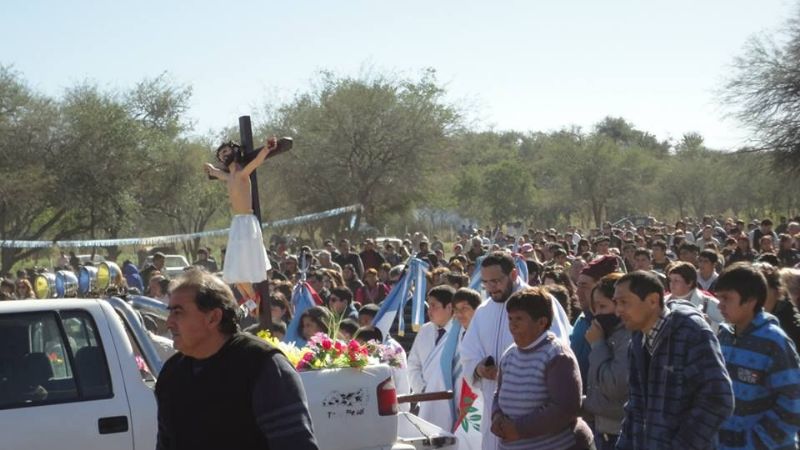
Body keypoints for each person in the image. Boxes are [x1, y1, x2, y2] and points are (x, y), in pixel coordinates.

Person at [156, 268, 318, 450]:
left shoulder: (263, 367)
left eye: (178, 312)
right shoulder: (172, 374)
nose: (169, 322)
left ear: (213, 318)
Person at [460, 251, 572, 450]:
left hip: (533, 415)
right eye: (485, 282)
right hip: (494, 414)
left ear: (513, 275)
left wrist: (512, 374)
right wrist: (479, 369)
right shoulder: (483, 311)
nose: (491, 288)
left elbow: (556, 348)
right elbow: (468, 352)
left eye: (496, 281)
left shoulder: (541, 303)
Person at [614, 271, 733, 449]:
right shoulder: (637, 341)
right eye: (616, 303)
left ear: (653, 300)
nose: (618, 311)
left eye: (624, 302)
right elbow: (635, 407)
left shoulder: (691, 332)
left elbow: (717, 399)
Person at [490, 287, 593, 450]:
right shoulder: (509, 355)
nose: (512, 325)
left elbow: (564, 408)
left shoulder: (557, 355)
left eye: (519, 319)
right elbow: (499, 393)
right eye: (510, 319)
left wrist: (518, 429)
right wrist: (496, 416)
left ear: (541, 322)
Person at [716, 263, 800, 449]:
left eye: (727, 298)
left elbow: (792, 404)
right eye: (718, 298)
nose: (719, 305)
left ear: (751, 300)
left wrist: (755, 442)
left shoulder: (774, 341)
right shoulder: (723, 337)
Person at [204, 138, 277, 315]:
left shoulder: (243, 173)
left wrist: (267, 149)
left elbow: (257, 161)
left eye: (227, 151)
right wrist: (210, 169)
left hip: (246, 222)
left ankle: (253, 298)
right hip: (237, 223)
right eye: (221, 154)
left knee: (238, 267)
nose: (224, 155)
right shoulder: (229, 176)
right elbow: (216, 172)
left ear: (235, 152)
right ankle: (252, 302)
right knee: (234, 271)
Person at [583, 273, 630, 450]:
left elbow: (615, 386)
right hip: (601, 427)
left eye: (603, 306)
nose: (598, 314)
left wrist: (597, 344)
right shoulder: (609, 334)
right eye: (595, 308)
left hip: (618, 432)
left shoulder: (627, 337)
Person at [407, 285, 461, 431]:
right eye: (428, 305)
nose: (429, 310)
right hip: (426, 401)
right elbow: (413, 364)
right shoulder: (425, 330)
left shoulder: (461, 332)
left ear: (449, 307)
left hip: (451, 402)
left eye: (433, 306)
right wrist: (422, 389)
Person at [665, 261, 724, 331]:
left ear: (690, 282)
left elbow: (729, 330)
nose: (672, 284)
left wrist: (710, 324)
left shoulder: (709, 304)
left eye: (676, 280)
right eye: (670, 280)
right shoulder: (662, 302)